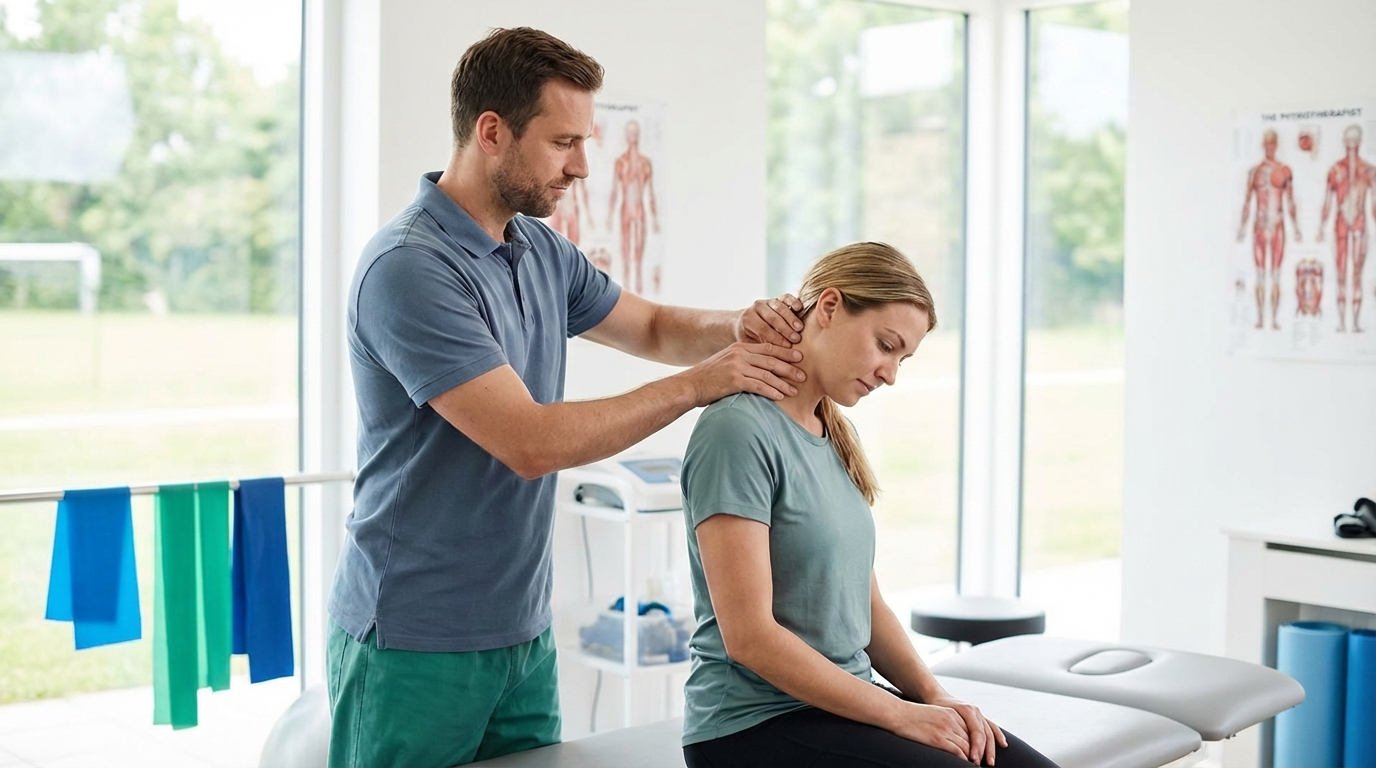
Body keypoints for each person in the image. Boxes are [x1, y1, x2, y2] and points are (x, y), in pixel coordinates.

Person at [325, 27, 810, 768]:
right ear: (492, 132)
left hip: (522, 634)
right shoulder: (410, 268)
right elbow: (530, 443)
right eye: (563, 142)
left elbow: (648, 325)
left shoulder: (538, 248)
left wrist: (739, 325)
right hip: (414, 642)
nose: (584, 166)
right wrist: (702, 383)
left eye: (586, 140)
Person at [680, 242, 1059, 768]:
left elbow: (868, 605)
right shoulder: (737, 430)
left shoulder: (834, 434)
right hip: (754, 725)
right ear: (829, 308)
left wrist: (934, 697)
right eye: (886, 345)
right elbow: (749, 638)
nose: (890, 373)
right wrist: (898, 714)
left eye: (902, 358)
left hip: (843, 705)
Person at [1237, 128, 1300, 330]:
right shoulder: (1254, 173)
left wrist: (1296, 227)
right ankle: (1259, 318)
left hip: (1278, 225)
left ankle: (1273, 320)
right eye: (1267, 143)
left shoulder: (1284, 171)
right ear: (1263, 145)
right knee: (1261, 274)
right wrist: (1242, 227)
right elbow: (1247, 202)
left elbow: (1291, 201)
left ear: (1277, 145)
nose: (1270, 147)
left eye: (1273, 143)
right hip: (1259, 226)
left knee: (1276, 274)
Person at [1318, 124, 1374, 333]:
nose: (1351, 146)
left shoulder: (1368, 170)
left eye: (1354, 141)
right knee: (1341, 272)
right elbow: (1328, 200)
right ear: (1344, 142)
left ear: (1359, 143)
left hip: (1359, 222)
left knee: (1357, 273)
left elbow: (1374, 202)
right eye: (1348, 141)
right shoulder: (1336, 170)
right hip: (1341, 222)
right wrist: (1321, 227)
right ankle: (1342, 322)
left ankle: (1356, 322)